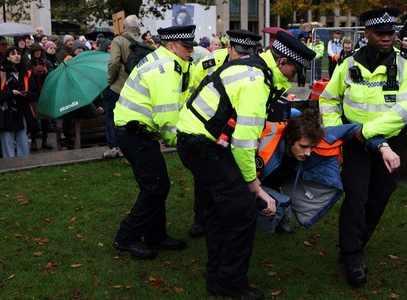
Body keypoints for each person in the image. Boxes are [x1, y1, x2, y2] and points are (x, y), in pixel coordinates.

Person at [176, 31, 316, 299]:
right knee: (242, 211)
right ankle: (230, 282)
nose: (292, 77)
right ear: (283, 61)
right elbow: (243, 141)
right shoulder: (256, 81)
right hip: (202, 145)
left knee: (221, 211)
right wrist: (256, 187)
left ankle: (217, 277)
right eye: (293, 70)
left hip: (198, 141)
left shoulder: (254, 69)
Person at [319, 7, 407, 286]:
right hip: (353, 143)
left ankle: (355, 242)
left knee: (381, 194)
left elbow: (406, 110)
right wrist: (339, 130)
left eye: (391, 32)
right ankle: (352, 255)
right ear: (367, 34)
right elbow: (328, 99)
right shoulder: (348, 64)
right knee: (356, 196)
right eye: (381, 33)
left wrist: (367, 132)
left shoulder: (406, 66)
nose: (388, 38)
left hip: (387, 142)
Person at [112, 25, 197, 260]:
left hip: (136, 131)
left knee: (158, 184)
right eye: (186, 46)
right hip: (135, 133)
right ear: (171, 46)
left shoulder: (166, 61)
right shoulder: (166, 68)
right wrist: (179, 142)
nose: (191, 50)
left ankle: (155, 235)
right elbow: (166, 114)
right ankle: (126, 236)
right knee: (155, 186)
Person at [186, 29, 262, 238]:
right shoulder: (213, 61)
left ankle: (223, 216)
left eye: (247, 53)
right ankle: (200, 218)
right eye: (239, 52)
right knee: (203, 179)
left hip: (235, 127)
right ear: (229, 47)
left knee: (228, 176)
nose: (242, 57)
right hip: (207, 128)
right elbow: (194, 86)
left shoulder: (254, 68)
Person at [0, 46, 39, 158]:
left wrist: (26, 94)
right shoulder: (0, 74)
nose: (17, 56)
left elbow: (35, 94)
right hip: (5, 112)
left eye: (18, 53)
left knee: (23, 143)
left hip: (22, 112)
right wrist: (11, 93)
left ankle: (24, 166)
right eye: (13, 54)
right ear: (8, 57)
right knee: (7, 143)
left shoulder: (27, 73)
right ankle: (9, 167)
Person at [104, 14, 142, 159]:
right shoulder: (143, 42)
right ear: (137, 27)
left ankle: (113, 147)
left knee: (111, 116)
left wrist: (111, 80)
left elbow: (113, 62)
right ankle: (132, 150)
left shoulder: (118, 40)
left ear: (124, 26)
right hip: (137, 88)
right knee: (133, 118)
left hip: (119, 86)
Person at [27, 43, 54, 151]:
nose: (37, 52)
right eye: (35, 51)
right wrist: (33, 73)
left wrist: (46, 72)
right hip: (34, 94)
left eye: (39, 51)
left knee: (45, 120)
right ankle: (33, 141)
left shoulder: (46, 62)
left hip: (45, 93)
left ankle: (44, 141)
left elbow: (52, 76)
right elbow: (26, 77)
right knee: (34, 118)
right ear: (32, 53)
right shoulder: (28, 64)